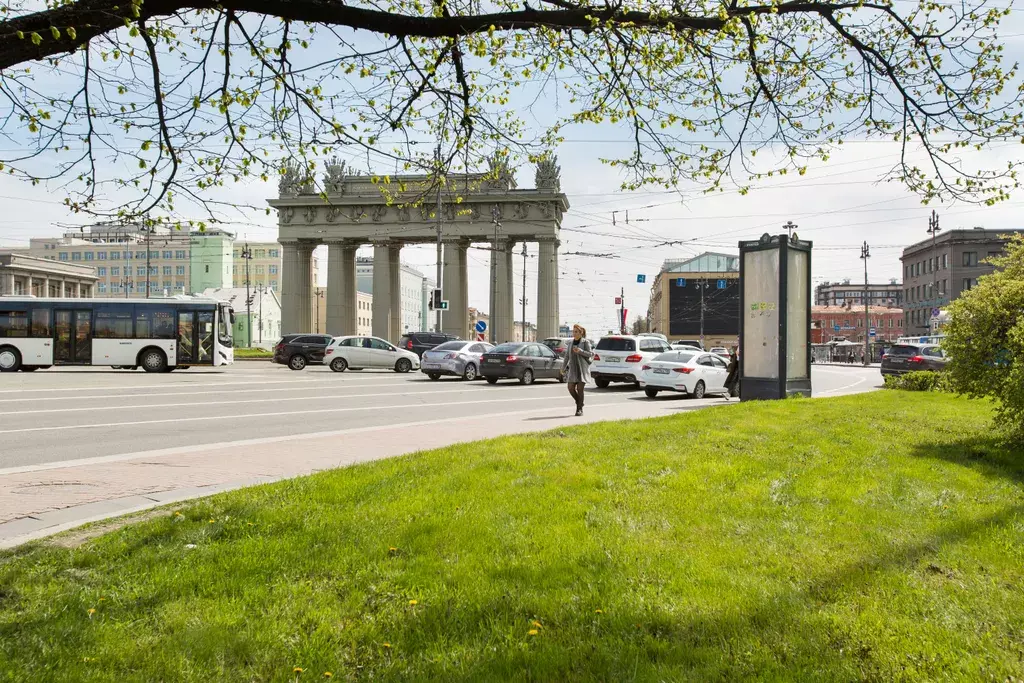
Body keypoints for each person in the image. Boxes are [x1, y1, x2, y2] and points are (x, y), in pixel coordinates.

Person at [562, 324, 593, 416]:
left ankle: (579, 409)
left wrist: (580, 351)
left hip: (582, 369)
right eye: (573, 331)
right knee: (570, 388)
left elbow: (590, 354)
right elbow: (567, 356)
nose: (574, 333)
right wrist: (563, 367)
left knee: (580, 389)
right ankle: (579, 401)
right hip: (573, 368)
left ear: (581, 333)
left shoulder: (585, 342)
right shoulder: (570, 343)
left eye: (576, 332)